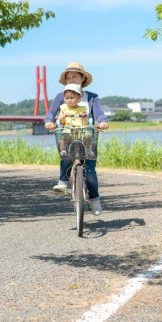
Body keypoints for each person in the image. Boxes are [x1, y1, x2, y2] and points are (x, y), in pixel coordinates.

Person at [44, 62, 109, 215]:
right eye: (68, 77)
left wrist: (103, 122)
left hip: (86, 135)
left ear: (83, 78)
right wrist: (49, 122)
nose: (71, 79)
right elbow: (51, 113)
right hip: (67, 135)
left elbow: (99, 113)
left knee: (91, 171)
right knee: (66, 156)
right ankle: (63, 182)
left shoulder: (92, 98)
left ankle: (94, 200)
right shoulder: (61, 96)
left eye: (75, 76)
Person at [57, 83, 94, 158]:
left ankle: (88, 150)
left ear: (79, 98)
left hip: (81, 129)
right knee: (64, 136)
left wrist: (84, 117)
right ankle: (63, 150)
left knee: (88, 136)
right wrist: (64, 115)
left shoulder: (82, 108)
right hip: (68, 128)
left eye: (72, 98)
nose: (69, 100)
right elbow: (60, 120)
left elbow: (85, 123)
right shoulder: (64, 107)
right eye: (66, 98)